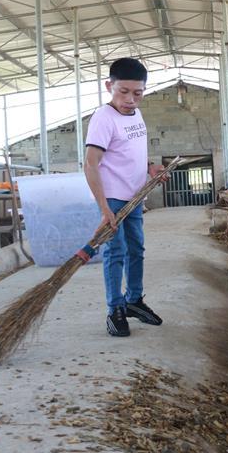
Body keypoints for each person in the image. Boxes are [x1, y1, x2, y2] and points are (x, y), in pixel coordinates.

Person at [83, 57, 167, 337]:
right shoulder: (103, 118)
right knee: (115, 252)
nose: (130, 99)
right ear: (109, 86)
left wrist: (150, 167)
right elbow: (91, 163)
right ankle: (115, 308)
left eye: (138, 93)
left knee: (137, 250)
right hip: (114, 200)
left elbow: (130, 152)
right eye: (123, 92)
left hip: (136, 197)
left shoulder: (136, 114)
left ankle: (134, 300)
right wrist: (104, 208)